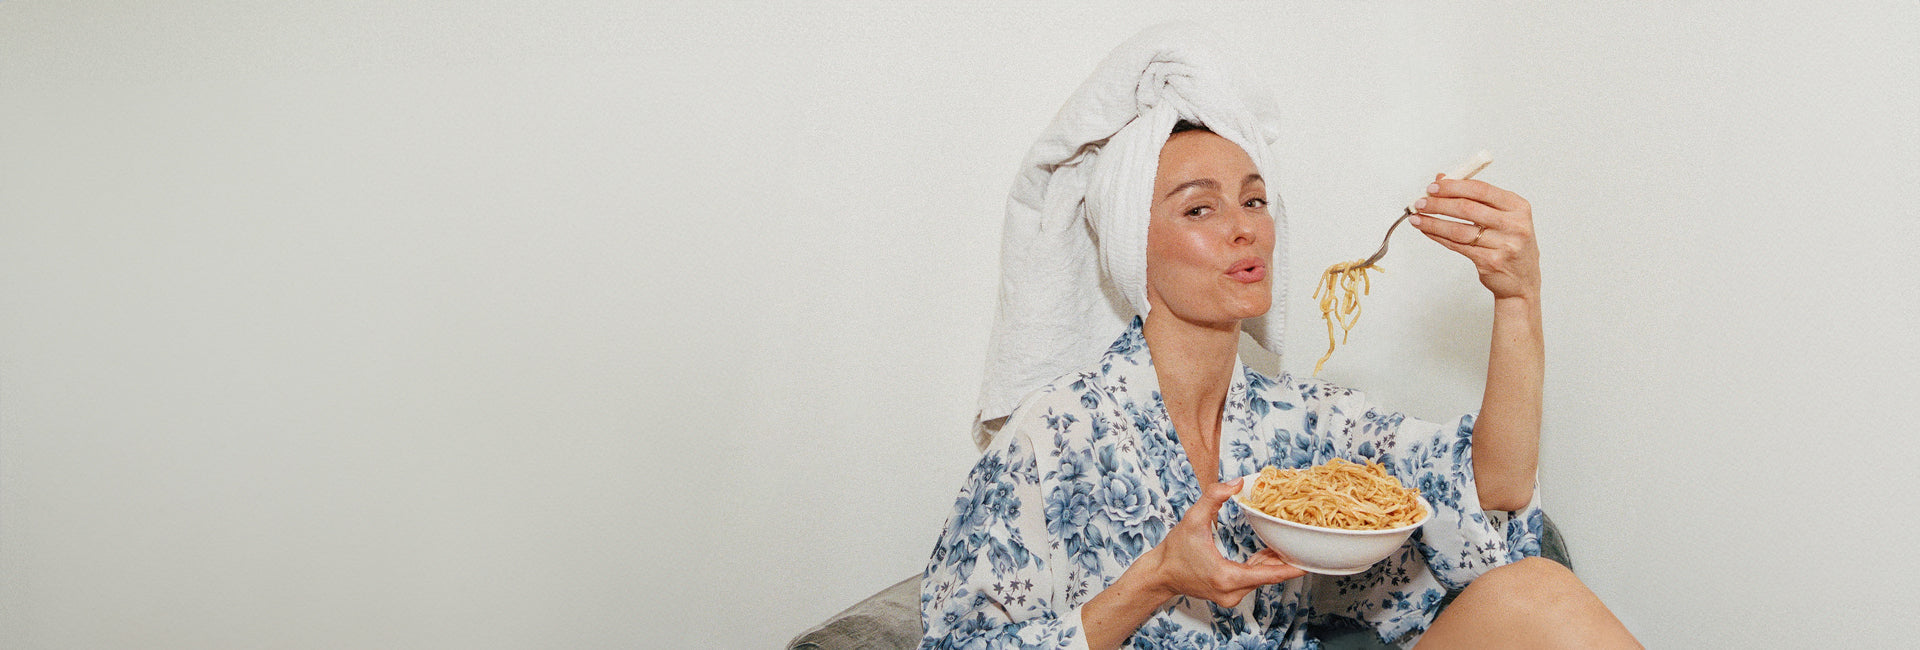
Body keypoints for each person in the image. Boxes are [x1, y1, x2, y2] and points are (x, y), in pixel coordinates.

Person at [919, 25, 1638, 649]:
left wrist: (1517, 298)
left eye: (1255, 199)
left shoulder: (1300, 425)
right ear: (1133, 247)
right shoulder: (1050, 439)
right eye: (1199, 209)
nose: (1244, 226)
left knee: (1535, 592)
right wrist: (1155, 579)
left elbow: (1494, 484)